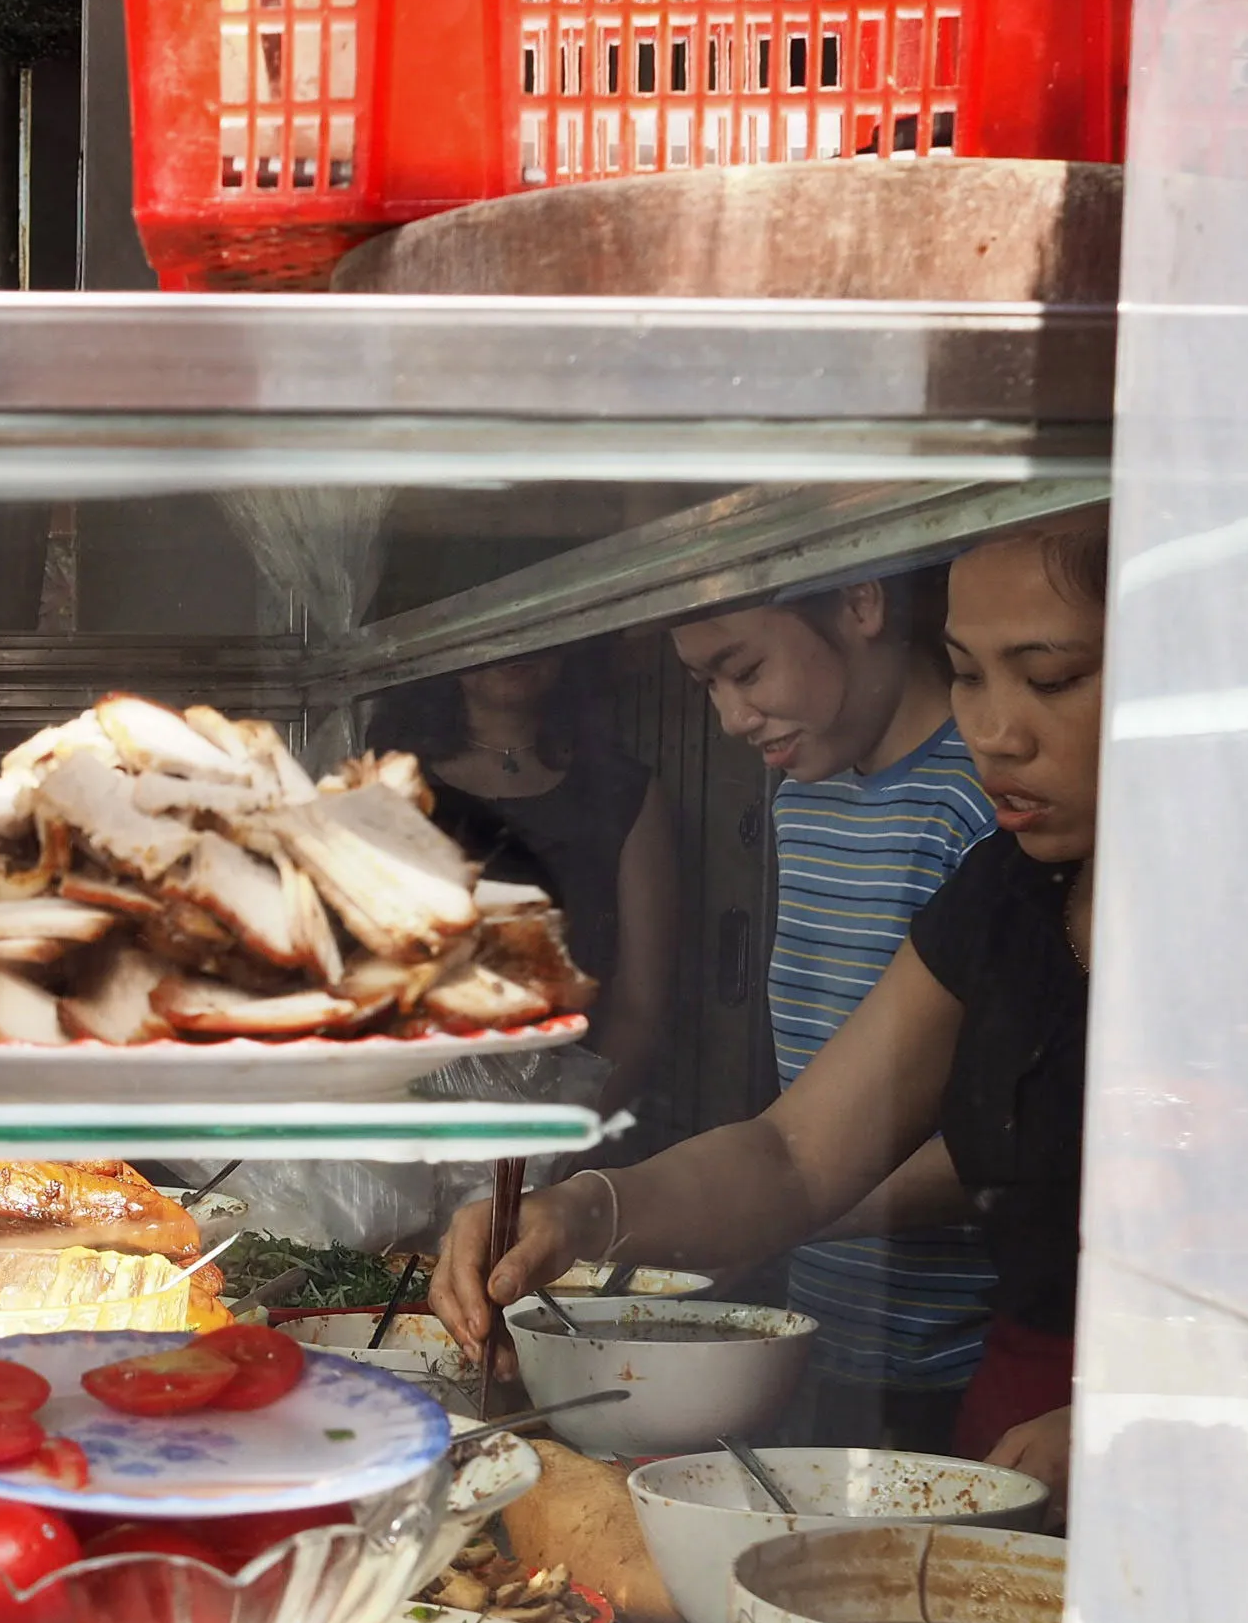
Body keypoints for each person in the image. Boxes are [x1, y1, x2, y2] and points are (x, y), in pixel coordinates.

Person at [435, 516, 1108, 1502]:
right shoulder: (1005, 894)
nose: (993, 732)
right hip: (1000, 1428)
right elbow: (793, 1153)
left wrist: (1137, 1410)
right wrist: (577, 1212)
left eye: (1048, 678)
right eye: (967, 673)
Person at [667, 572, 1000, 1449]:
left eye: (745, 670)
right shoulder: (802, 790)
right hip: (823, 1325)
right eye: (705, 685)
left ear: (860, 602)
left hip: (959, 1351)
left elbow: (1007, 1136)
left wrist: (775, 1208)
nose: (733, 717)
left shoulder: (985, 798)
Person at [369, 648, 677, 1101]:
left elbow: (640, 1006)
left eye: (534, 631)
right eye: (496, 630)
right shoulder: (388, 787)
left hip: (570, 1118)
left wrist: (569, 1140)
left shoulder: (623, 793)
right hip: (407, 1118)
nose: (515, 649)